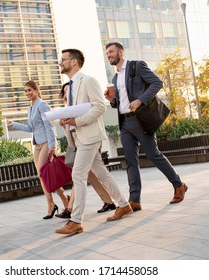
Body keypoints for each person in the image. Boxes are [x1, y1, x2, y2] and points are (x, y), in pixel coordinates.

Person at [55, 48, 132, 235]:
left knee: (78, 175)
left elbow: (100, 107)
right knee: (102, 174)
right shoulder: (71, 86)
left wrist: (77, 121)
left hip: (90, 136)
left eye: (63, 59)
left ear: (74, 62)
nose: (60, 62)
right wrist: (66, 120)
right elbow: (77, 112)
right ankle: (123, 204)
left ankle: (76, 221)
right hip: (80, 137)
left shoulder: (88, 81)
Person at [104, 42, 188, 211]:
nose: (109, 55)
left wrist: (140, 100)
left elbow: (157, 83)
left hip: (140, 119)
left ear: (121, 52)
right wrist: (112, 100)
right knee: (130, 161)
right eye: (107, 53)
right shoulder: (114, 78)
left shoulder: (137, 66)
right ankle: (134, 199)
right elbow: (120, 103)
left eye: (111, 52)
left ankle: (179, 185)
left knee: (153, 154)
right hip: (124, 122)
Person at [7, 80, 69, 220]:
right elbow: (31, 129)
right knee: (43, 176)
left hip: (46, 142)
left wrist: (52, 146)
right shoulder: (31, 108)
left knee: (43, 174)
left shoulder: (42, 105)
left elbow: (49, 126)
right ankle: (62, 199)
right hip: (37, 144)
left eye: (30, 90)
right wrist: (15, 124)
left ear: (36, 90)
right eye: (26, 91)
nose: (28, 93)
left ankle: (53, 204)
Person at [55, 82, 116, 219]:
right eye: (65, 91)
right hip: (77, 144)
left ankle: (71, 209)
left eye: (69, 89)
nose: (67, 92)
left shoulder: (80, 105)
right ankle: (110, 201)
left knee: (80, 174)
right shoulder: (65, 110)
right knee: (92, 175)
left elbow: (90, 118)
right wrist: (64, 124)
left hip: (89, 141)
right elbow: (70, 133)